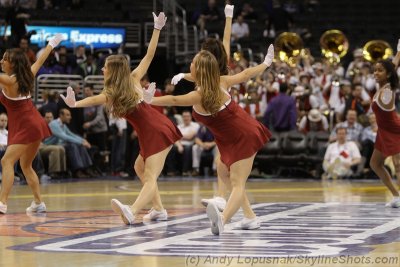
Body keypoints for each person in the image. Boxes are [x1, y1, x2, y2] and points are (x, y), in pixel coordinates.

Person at [61, 12, 182, 224]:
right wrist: (75, 104)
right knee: (139, 168)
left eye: (105, 67)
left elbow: (150, 55)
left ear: (113, 71)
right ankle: (159, 209)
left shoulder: (131, 81)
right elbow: (148, 56)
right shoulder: (121, 87)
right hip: (150, 131)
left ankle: (132, 210)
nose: (102, 69)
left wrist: (157, 29)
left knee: (151, 175)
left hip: (158, 130)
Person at [144, 44, 274, 235]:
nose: (190, 65)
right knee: (222, 170)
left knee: (237, 182)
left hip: (244, 135)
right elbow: (244, 75)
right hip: (228, 140)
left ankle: (222, 220)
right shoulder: (218, 82)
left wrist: (151, 100)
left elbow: (173, 100)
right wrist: (265, 63)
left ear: (200, 70)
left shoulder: (199, 95)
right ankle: (250, 217)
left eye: (193, 63)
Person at [172, 4, 233, 211]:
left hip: (219, 113)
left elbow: (226, 42)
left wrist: (229, 17)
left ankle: (224, 198)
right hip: (213, 114)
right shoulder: (211, 71)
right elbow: (226, 40)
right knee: (223, 161)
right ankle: (227, 199)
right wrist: (228, 18)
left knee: (223, 159)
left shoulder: (217, 73)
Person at [0, 33, 63, 214]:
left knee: (6, 161)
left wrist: (52, 44)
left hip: (26, 125)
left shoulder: (10, 80)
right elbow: (40, 60)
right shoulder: (27, 74)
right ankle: (38, 203)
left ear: (13, 64)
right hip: (36, 123)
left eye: (5, 59)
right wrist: (52, 43)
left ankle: (2, 203)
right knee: (25, 166)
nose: (2, 61)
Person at [369, 59, 400, 208]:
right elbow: (393, 65)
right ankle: (396, 196)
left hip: (395, 130)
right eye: (375, 70)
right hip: (384, 131)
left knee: (398, 165)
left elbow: (393, 69)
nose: (376, 73)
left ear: (387, 74)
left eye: (380, 70)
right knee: (375, 163)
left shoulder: (388, 91)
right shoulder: (382, 87)